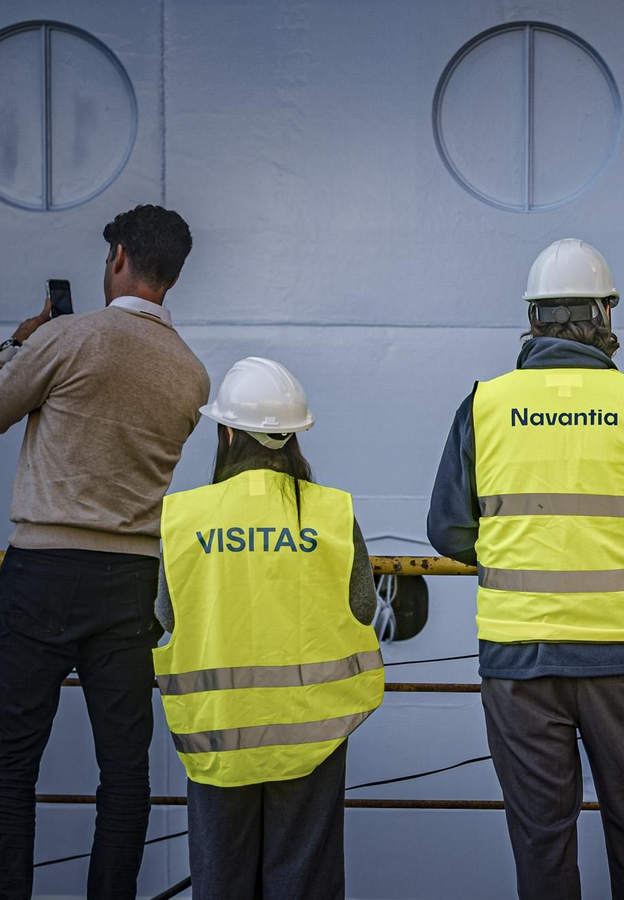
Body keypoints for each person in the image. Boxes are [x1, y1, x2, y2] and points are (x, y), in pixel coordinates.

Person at [427, 238, 624, 900]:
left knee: (541, 837)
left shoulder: (485, 404)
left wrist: (517, 555)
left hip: (519, 663)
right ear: (606, 315)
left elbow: (447, 530)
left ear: (531, 318)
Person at [0, 204, 208, 899]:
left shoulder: (69, 338)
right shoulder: (192, 374)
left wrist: (19, 345)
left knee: (11, 765)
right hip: (130, 581)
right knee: (125, 772)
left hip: (40, 571)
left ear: (120, 256)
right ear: (177, 274)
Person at [153, 357, 383, 900]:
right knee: (303, 881)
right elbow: (363, 605)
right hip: (312, 732)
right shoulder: (329, 513)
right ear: (293, 439)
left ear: (227, 432)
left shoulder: (186, 517)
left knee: (222, 879)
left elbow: (167, 614)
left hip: (218, 733)